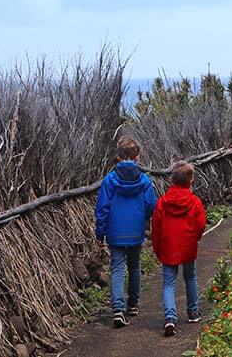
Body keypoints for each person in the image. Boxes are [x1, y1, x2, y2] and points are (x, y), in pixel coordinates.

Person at [94, 136, 158, 328]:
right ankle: (133, 305)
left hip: (115, 232)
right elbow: (151, 206)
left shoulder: (109, 180)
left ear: (118, 156)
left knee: (117, 269)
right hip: (135, 231)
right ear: (137, 156)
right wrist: (141, 219)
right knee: (135, 267)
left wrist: (100, 232)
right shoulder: (144, 180)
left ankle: (118, 310)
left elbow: (102, 209)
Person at [151, 161, 207, 337]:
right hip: (188, 245)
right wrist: (194, 238)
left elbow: (156, 228)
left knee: (168, 283)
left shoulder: (162, 203)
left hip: (168, 246)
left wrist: (157, 248)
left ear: (171, 181)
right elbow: (201, 224)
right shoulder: (194, 202)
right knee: (190, 277)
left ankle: (169, 317)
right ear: (191, 182)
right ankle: (193, 311)